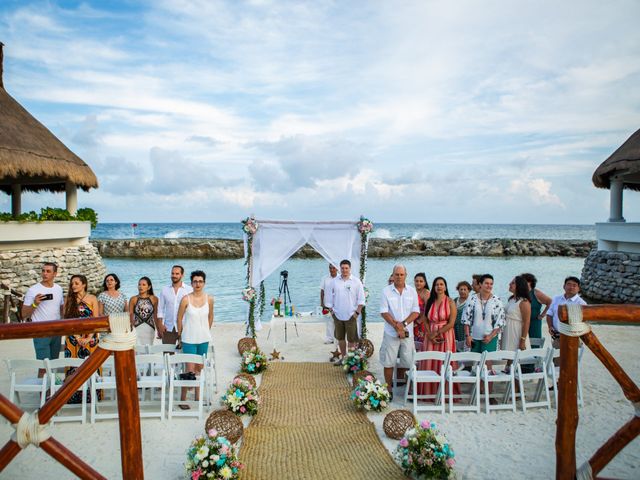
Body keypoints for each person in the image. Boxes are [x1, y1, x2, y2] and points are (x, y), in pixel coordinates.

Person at [379, 264, 420, 398]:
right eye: (396, 274)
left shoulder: (412, 291)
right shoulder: (386, 291)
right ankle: (389, 389)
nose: (399, 277)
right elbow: (384, 312)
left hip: (407, 334)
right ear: (393, 275)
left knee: (408, 361)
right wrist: (396, 326)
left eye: (401, 274)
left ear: (406, 276)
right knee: (389, 362)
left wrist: (403, 324)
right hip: (391, 333)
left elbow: (416, 312)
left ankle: (408, 389)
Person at [177, 270, 214, 409]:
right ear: (191, 283)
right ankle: (183, 399)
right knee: (190, 370)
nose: (197, 284)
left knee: (200, 368)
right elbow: (179, 318)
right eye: (195, 281)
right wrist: (180, 336)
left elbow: (210, 317)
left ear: (204, 283)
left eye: (200, 281)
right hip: (188, 339)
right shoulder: (186, 299)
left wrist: (206, 330)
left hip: (203, 338)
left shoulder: (209, 299)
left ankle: (198, 397)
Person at [63, 274, 100, 403]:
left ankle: (92, 396)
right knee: (73, 366)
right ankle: (72, 395)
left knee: (90, 366)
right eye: (72, 283)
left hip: (90, 337)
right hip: (73, 338)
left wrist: (89, 337)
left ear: (84, 284)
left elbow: (96, 320)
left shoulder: (92, 299)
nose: (73, 286)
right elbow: (66, 320)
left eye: (76, 283)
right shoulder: (68, 299)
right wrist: (78, 337)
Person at [420, 276, 458, 398]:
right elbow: (424, 319)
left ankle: (444, 393)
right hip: (430, 336)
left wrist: (436, 333)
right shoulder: (430, 301)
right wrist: (429, 334)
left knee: (444, 362)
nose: (439, 287)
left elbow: (451, 323)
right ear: (434, 287)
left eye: (441, 284)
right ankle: (429, 392)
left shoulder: (451, 302)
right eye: (437, 285)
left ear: (445, 287)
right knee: (430, 361)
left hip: (446, 335)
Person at [22, 262, 65, 368]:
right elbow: (24, 314)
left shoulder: (58, 289)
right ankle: (43, 383)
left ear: (55, 274)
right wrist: (35, 303)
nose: (44, 273)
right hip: (41, 331)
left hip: (56, 331)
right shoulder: (33, 290)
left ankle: (54, 385)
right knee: (44, 367)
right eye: (43, 271)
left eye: (48, 271)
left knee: (54, 364)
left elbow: (61, 309)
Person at [325, 260, 365, 364]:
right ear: (340, 269)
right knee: (340, 339)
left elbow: (361, 300)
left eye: (346, 268)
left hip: (351, 315)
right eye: (342, 268)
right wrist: (332, 313)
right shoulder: (334, 281)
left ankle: (351, 361)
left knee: (351, 340)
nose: (344, 270)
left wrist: (356, 314)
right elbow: (328, 298)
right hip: (337, 315)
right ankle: (343, 358)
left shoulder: (356, 282)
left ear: (350, 269)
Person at [462, 274, 506, 356]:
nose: (489, 286)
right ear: (480, 284)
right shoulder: (471, 299)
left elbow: (500, 322)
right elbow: (466, 320)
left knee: (487, 363)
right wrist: (468, 336)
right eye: (486, 283)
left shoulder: (497, 301)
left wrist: (491, 336)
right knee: (474, 363)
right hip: (473, 338)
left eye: (491, 284)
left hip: (489, 338)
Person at [546, 276, 587, 349]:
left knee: (572, 359)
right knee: (557, 359)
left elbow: (584, 322)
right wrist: (550, 327)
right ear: (564, 286)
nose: (571, 287)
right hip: (557, 337)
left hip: (574, 338)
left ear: (578, 289)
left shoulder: (582, 303)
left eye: (574, 285)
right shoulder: (556, 298)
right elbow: (549, 314)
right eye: (568, 284)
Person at [157, 265, 193, 345]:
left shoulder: (189, 290)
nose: (174, 276)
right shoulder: (164, 290)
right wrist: (160, 325)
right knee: (167, 354)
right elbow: (160, 309)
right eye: (172, 273)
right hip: (168, 328)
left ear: (182, 275)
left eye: (177, 274)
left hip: (185, 328)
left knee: (185, 354)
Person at [501, 276, 531, 352]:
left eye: (513, 283)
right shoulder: (511, 299)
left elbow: (526, 322)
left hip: (516, 332)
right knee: (508, 357)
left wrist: (523, 340)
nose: (509, 284)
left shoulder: (524, 302)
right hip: (508, 332)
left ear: (519, 286)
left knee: (514, 357)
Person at [521, 273, 552, 346]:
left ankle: (536, 356)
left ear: (531, 283)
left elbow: (550, 302)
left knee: (535, 343)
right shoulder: (520, 293)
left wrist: (543, 315)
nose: (524, 283)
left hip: (534, 321)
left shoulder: (536, 293)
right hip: (522, 322)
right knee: (521, 342)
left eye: (527, 281)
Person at [129, 277, 159, 346]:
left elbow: (156, 316)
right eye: (139, 284)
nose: (140, 286)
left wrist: (159, 330)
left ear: (149, 287)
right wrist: (131, 329)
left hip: (150, 329)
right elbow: (130, 315)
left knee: (149, 349)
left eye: (143, 285)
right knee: (137, 349)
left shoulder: (154, 299)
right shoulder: (133, 299)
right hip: (137, 329)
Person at [320, 263, 338, 344]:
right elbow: (322, 291)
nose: (331, 270)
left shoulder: (340, 278)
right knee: (329, 322)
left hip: (338, 304)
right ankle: (329, 339)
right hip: (327, 304)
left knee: (338, 322)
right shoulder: (325, 278)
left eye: (333, 268)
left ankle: (337, 339)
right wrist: (322, 303)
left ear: (337, 269)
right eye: (330, 268)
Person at [413, 273, 430, 350]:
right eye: (416, 281)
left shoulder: (426, 293)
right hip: (412, 321)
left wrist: (418, 322)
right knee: (413, 343)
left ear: (425, 283)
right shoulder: (412, 292)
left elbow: (428, 310)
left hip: (422, 322)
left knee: (422, 344)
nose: (418, 283)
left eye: (421, 281)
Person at [453, 281, 472, 348]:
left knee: (465, 347)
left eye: (465, 289)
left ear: (469, 290)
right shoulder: (454, 300)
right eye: (461, 289)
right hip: (454, 328)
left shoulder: (471, 302)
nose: (462, 291)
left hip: (465, 329)